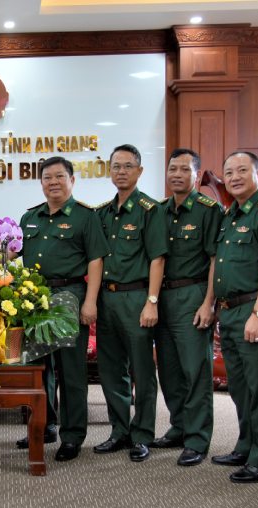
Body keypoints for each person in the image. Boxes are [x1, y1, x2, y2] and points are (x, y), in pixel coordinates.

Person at [16, 156, 108, 462]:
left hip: (70, 296)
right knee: (40, 371)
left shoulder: (85, 217)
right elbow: (10, 250)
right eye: (47, 178)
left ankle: (72, 435)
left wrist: (90, 301)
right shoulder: (30, 217)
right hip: (36, 298)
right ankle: (44, 425)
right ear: (40, 182)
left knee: (71, 372)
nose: (53, 182)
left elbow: (96, 260)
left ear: (72, 180)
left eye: (59, 176)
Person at [210, 151, 258, 484]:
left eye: (243, 170)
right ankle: (246, 445)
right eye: (229, 172)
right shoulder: (231, 214)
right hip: (229, 311)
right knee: (240, 387)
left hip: (253, 309)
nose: (235, 176)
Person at [93, 145, 167, 462]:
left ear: (139, 171)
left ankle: (142, 435)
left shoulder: (151, 210)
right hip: (107, 299)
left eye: (127, 166)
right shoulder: (102, 213)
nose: (121, 171)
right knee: (111, 371)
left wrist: (151, 302)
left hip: (137, 298)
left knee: (141, 370)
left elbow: (158, 259)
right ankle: (119, 431)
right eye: (115, 166)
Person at [153, 148, 222, 467]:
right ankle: (179, 426)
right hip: (163, 297)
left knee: (195, 370)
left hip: (193, 294)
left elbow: (214, 260)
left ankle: (197, 438)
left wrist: (209, 302)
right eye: (172, 169)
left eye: (184, 169)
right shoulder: (159, 210)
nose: (177, 174)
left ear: (196, 175)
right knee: (168, 369)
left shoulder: (208, 210)